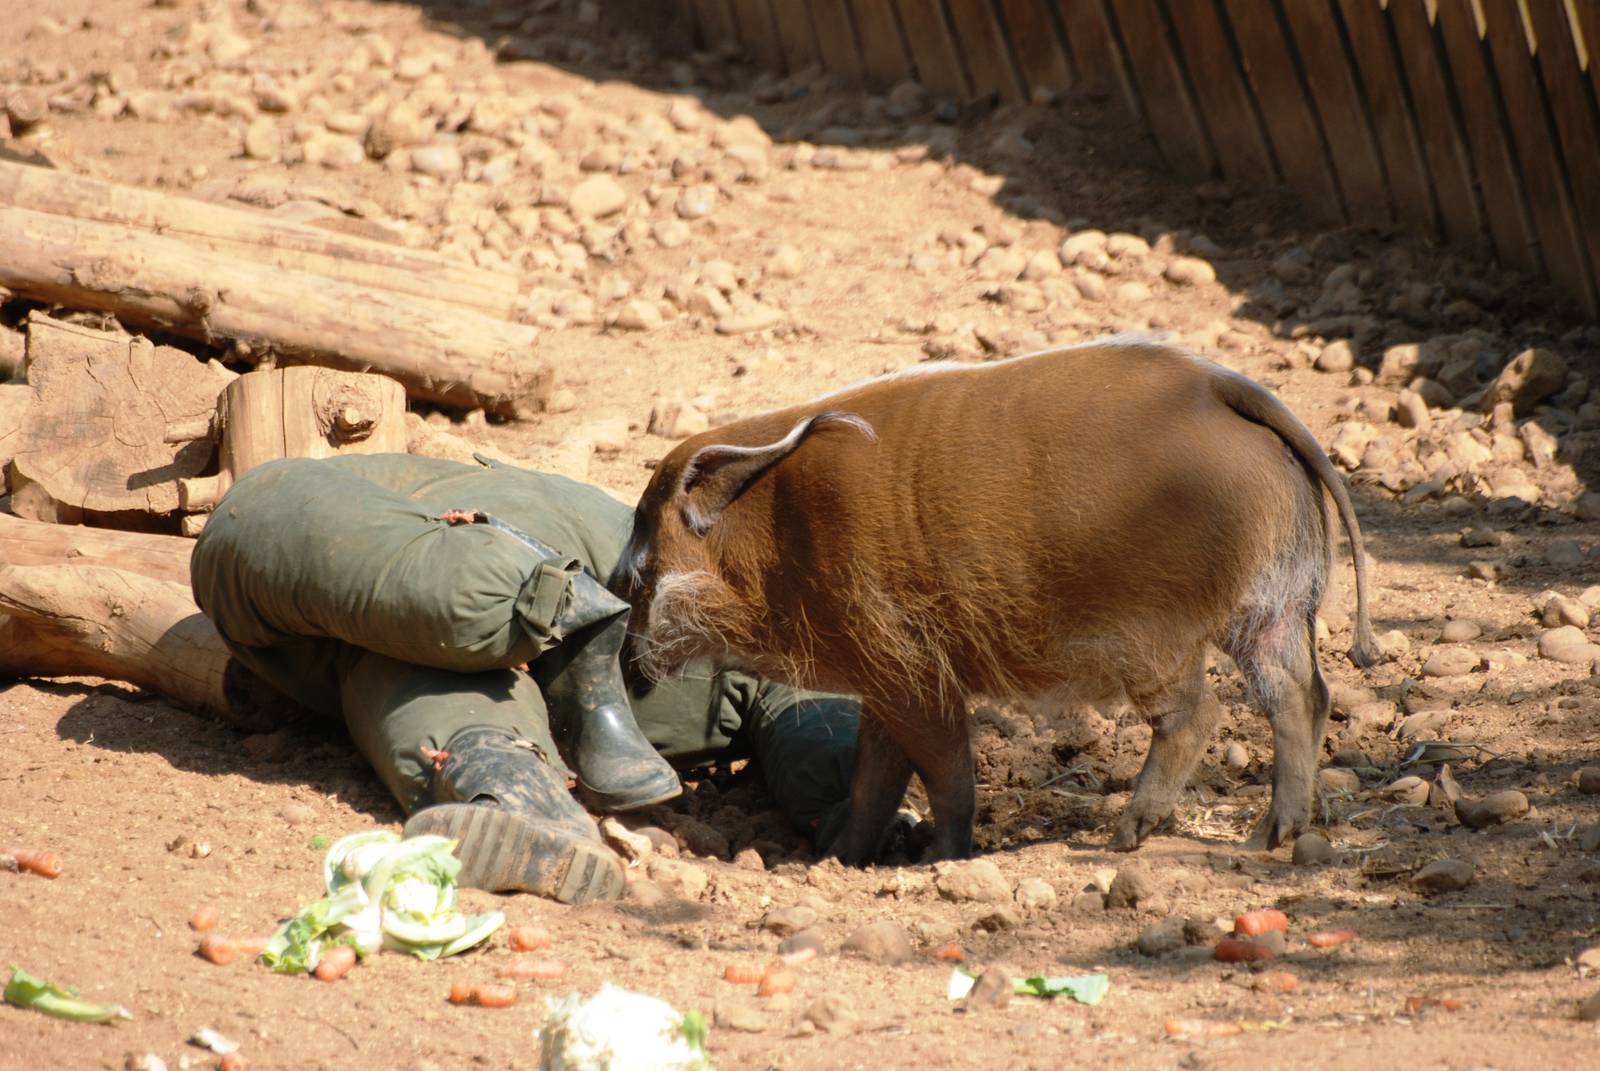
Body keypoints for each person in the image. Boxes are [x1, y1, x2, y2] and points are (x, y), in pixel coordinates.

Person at [191, 452, 862, 904]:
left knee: (412, 656)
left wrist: (853, 789)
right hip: (557, 571)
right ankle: (553, 637)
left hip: (639, 620)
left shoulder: (755, 648)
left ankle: (516, 790)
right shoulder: (362, 502)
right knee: (433, 616)